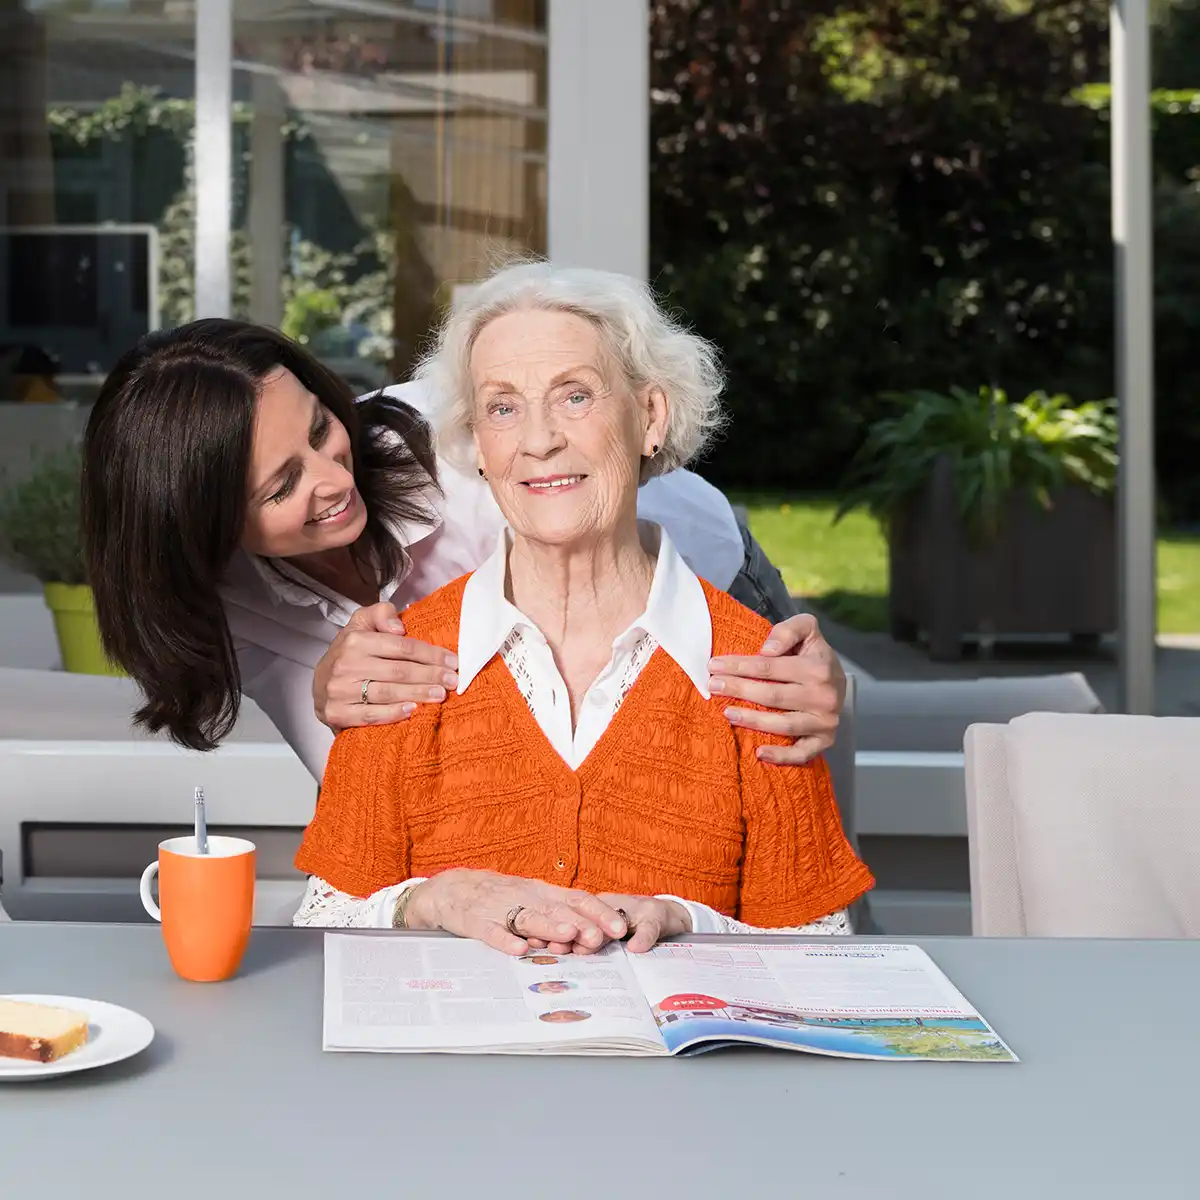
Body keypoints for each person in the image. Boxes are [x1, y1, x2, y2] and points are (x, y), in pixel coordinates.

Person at [293, 262, 874, 954]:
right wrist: (433, 899)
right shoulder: (401, 670)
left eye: (575, 397)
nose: (538, 440)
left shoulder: (757, 677)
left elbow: (822, 948)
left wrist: (690, 923)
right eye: (503, 408)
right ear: (478, 443)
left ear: (649, 417)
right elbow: (324, 926)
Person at [82, 319, 847, 782]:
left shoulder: (464, 458)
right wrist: (334, 706)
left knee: (787, 870)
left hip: (697, 569)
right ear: (201, 525)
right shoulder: (230, 601)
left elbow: (610, 681)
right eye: (280, 487)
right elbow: (383, 791)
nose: (331, 480)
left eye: (321, 429)